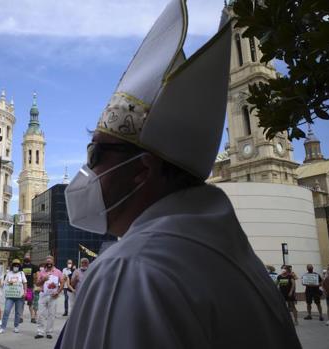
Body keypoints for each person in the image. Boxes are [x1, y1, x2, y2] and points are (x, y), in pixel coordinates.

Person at [57, 1, 301, 347]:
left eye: (96, 154)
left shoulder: (131, 269)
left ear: (142, 170)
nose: (88, 171)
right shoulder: (242, 265)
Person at [35, 256, 64, 339]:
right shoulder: (42, 272)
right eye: (47, 262)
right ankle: (40, 332)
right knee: (40, 314)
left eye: (50, 262)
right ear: (45, 263)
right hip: (43, 295)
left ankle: (49, 332)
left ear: (53, 263)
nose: (49, 264)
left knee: (51, 315)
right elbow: (37, 284)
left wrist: (58, 292)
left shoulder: (58, 272)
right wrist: (43, 279)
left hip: (53, 296)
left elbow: (62, 283)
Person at [0, 259, 26, 334]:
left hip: (19, 296)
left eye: (17, 265)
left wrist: (25, 292)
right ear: (12, 266)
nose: (16, 266)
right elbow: (4, 282)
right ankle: (3, 327)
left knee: (17, 312)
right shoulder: (9, 273)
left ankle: (16, 326)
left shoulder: (21, 273)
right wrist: (3, 283)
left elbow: (24, 283)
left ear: (19, 266)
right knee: (6, 311)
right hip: (10, 296)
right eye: (14, 265)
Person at [21, 255, 39, 323]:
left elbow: (37, 275)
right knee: (21, 303)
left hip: (29, 288)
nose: (27, 258)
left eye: (28, 257)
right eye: (26, 257)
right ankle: (20, 317)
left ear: (30, 258)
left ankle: (32, 317)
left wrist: (35, 283)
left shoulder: (33, 266)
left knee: (30, 303)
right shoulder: (21, 267)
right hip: (22, 288)